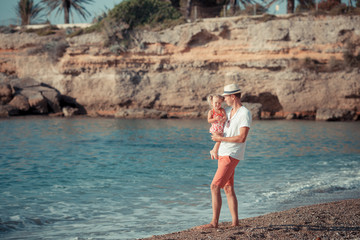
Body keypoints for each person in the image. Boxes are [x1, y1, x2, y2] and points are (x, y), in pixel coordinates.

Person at [200, 83, 252, 229]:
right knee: (228, 188)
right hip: (223, 152)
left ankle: (214, 223)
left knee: (214, 186)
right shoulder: (228, 112)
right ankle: (235, 223)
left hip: (232, 154)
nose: (224, 100)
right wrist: (215, 147)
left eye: (226, 97)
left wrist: (220, 140)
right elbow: (223, 132)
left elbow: (242, 138)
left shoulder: (244, 113)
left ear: (233, 96)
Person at [207, 94, 227, 160]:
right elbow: (209, 120)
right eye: (216, 103)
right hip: (215, 129)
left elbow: (225, 117)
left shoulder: (222, 110)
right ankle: (214, 151)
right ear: (212, 103)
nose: (217, 104)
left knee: (220, 140)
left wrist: (222, 119)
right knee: (219, 139)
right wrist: (215, 119)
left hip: (221, 129)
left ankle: (214, 151)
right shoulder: (211, 112)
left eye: (219, 103)